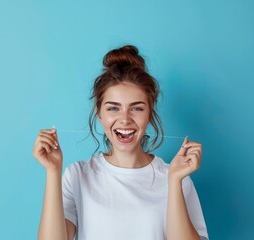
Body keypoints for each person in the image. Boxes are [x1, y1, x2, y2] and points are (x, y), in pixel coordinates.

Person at [32, 45, 209, 240]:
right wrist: (53, 171)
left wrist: (174, 181)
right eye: (113, 109)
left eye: (136, 109)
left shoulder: (177, 177)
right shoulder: (77, 176)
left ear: (150, 114)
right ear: (99, 113)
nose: (125, 120)